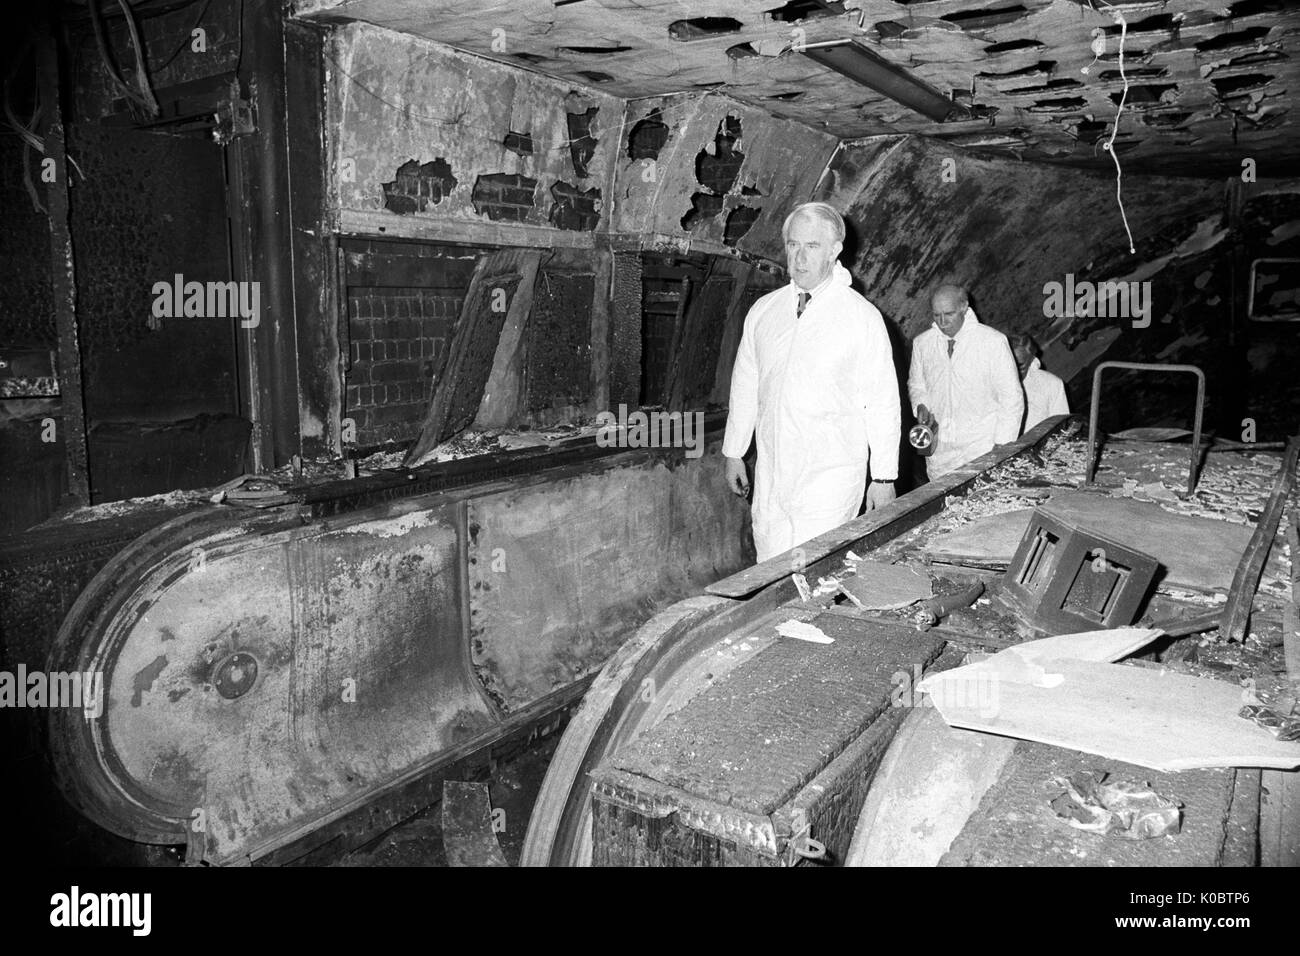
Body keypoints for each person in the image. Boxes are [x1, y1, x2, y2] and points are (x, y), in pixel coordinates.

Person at [722, 202, 900, 564]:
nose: (799, 258)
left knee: (817, 569)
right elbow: (745, 384)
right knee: (770, 565)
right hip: (773, 470)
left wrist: (883, 478)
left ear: (835, 251)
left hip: (830, 473)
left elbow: (882, 401)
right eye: (792, 245)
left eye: (812, 247)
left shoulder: (860, 318)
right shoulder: (765, 311)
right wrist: (734, 452)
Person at [907, 285, 1023, 480]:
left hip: (981, 447)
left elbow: (1011, 398)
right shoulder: (922, 343)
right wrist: (920, 405)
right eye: (937, 315)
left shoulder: (992, 341)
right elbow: (916, 385)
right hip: (941, 452)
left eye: (949, 314)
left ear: (964, 307)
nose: (942, 322)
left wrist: (1002, 448)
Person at [1011, 332, 1069, 432]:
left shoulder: (1051, 385)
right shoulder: (985, 384)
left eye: (1020, 367)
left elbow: (1061, 430)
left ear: (1032, 360)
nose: (1012, 372)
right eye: (1008, 365)